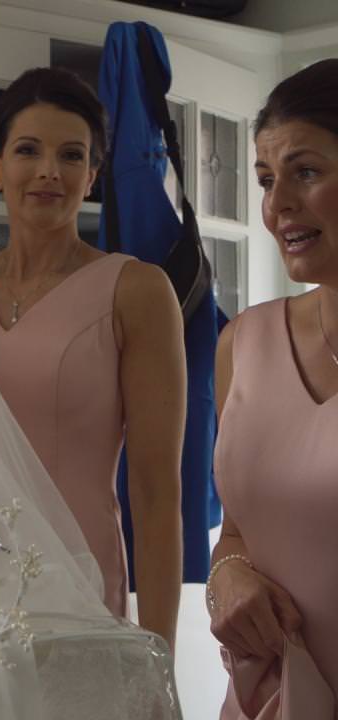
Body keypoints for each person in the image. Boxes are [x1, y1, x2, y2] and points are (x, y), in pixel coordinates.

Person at [0, 67, 185, 650]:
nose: (49, 170)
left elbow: (156, 493)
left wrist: (159, 658)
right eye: (28, 150)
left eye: (71, 155)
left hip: (78, 592)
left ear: (92, 175)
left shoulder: (137, 291)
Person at [209, 58, 338, 719]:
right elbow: (238, 531)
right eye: (265, 179)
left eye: (305, 172)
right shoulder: (243, 344)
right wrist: (226, 575)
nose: (276, 203)